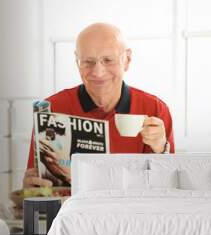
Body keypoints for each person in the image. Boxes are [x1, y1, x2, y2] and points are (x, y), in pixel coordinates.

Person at [23, 22, 175, 188]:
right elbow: (36, 188)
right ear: (77, 62)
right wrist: (32, 189)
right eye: (88, 62)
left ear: (127, 60)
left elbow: (168, 190)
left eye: (108, 60)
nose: (98, 72)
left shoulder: (155, 110)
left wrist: (161, 150)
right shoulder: (51, 108)